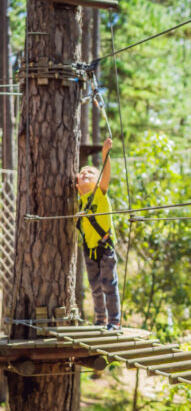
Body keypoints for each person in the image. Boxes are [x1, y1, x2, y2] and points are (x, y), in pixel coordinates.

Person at [76, 138, 121, 330]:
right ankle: (100, 319)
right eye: (82, 172)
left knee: (108, 286)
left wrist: (105, 154)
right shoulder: (78, 201)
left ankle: (114, 320)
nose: (85, 172)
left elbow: (106, 175)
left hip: (105, 247)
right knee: (95, 287)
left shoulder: (100, 194)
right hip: (89, 250)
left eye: (90, 172)